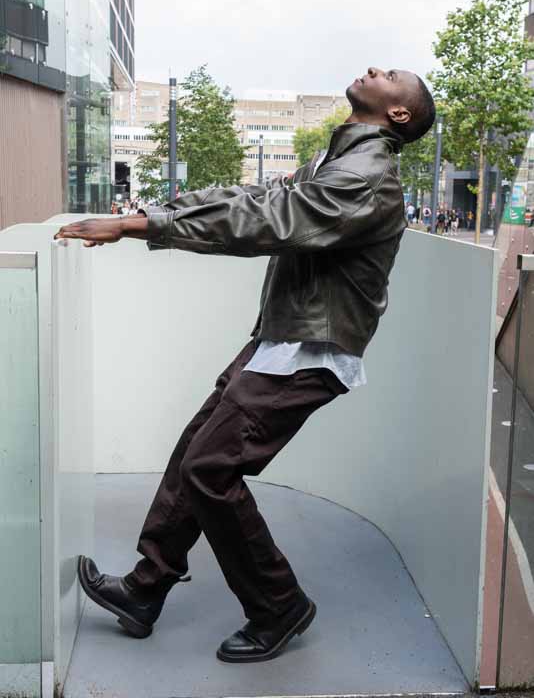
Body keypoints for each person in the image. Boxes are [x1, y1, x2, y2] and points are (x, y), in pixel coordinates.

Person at [54, 66, 436, 664]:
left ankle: (278, 606)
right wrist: (151, 213)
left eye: (389, 75)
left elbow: (264, 222)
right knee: (197, 452)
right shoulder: (337, 160)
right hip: (282, 339)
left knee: (211, 469)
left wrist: (140, 226)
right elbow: (255, 198)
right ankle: (145, 590)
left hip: (311, 349)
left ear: (400, 114)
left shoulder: (365, 177)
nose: (372, 70)